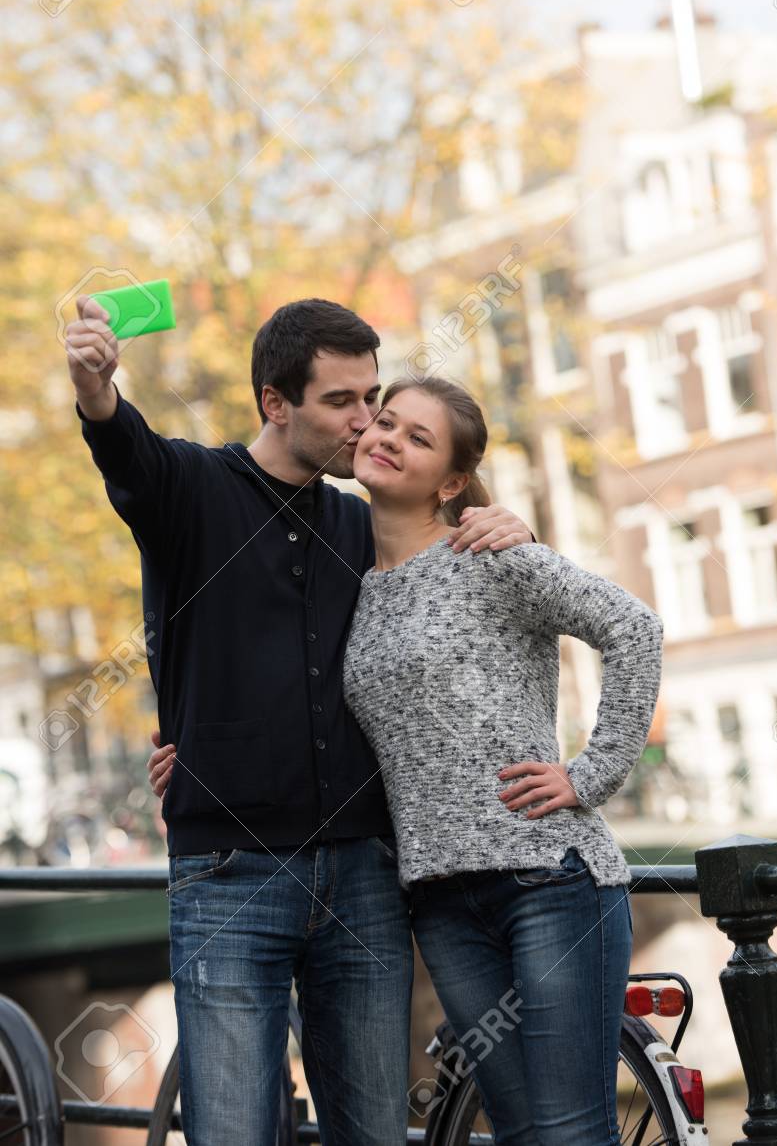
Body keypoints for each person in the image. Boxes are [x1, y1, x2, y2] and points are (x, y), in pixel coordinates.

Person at [64, 293, 534, 1146]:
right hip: (229, 876)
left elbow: (454, 559)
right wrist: (97, 389)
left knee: (374, 1133)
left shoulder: (366, 522)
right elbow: (125, 449)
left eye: (372, 397)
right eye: (341, 401)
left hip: (366, 874)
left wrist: (508, 524)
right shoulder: (192, 490)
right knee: (235, 1132)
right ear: (275, 403)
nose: (365, 422)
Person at [341, 375, 665, 1146]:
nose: (389, 439)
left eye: (417, 437)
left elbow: (634, 630)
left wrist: (590, 773)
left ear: (452, 481)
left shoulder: (489, 556)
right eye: (386, 422)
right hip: (440, 902)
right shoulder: (349, 586)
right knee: (519, 1134)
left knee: (568, 1133)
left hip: (547, 883)